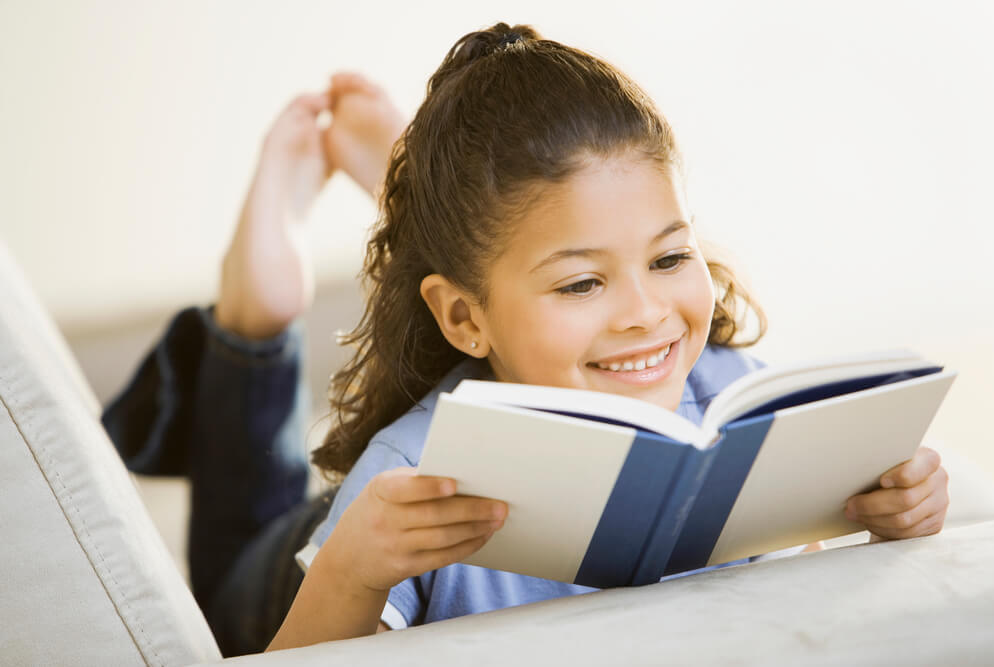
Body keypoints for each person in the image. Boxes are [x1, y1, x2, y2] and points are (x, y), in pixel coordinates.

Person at [104, 22, 950, 656]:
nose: (645, 313)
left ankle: (418, 211)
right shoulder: (410, 473)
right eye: (583, 282)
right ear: (464, 319)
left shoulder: (726, 386)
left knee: (521, 242)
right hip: (320, 556)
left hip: (480, 321)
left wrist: (890, 512)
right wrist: (350, 571)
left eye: (670, 257)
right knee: (233, 568)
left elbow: (803, 551)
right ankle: (254, 325)